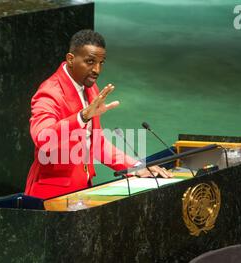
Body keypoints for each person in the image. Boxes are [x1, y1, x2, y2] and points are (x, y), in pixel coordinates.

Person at [25, 29, 172, 199]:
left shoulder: (89, 88)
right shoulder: (50, 92)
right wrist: (82, 117)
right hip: (50, 196)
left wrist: (136, 166)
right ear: (71, 59)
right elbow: (43, 138)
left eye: (101, 62)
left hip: (83, 191)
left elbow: (96, 144)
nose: (97, 69)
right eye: (90, 61)